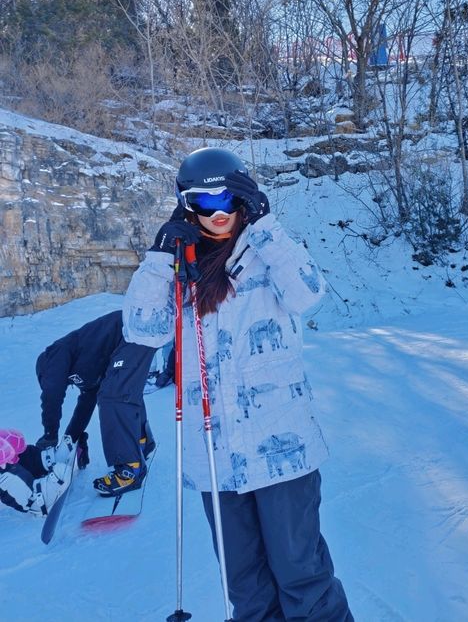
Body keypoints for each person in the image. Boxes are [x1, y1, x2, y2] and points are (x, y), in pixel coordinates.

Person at [122, 147, 353, 621]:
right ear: (187, 204)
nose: (220, 213)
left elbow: (308, 295)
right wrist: (160, 257)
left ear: (245, 196)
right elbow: (141, 328)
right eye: (205, 204)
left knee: (302, 579)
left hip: (282, 449)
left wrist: (267, 227)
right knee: (246, 591)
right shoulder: (180, 268)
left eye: (228, 198)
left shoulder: (266, 250)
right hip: (215, 457)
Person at [34, 310, 156, 495]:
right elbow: (86, 405)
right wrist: (70, 439)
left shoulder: (54, 355)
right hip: (132, 336)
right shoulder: (83, 372)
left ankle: (130, 470)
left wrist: (49, 435)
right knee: (123, 391)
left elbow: (52, 395)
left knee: (113, 395)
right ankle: (141, 442)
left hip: (132, 329)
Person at [0, 428, 73, 516]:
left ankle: (44, 461)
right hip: (35, 499)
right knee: (3, 466)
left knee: (8, 446)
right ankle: (34, 500)